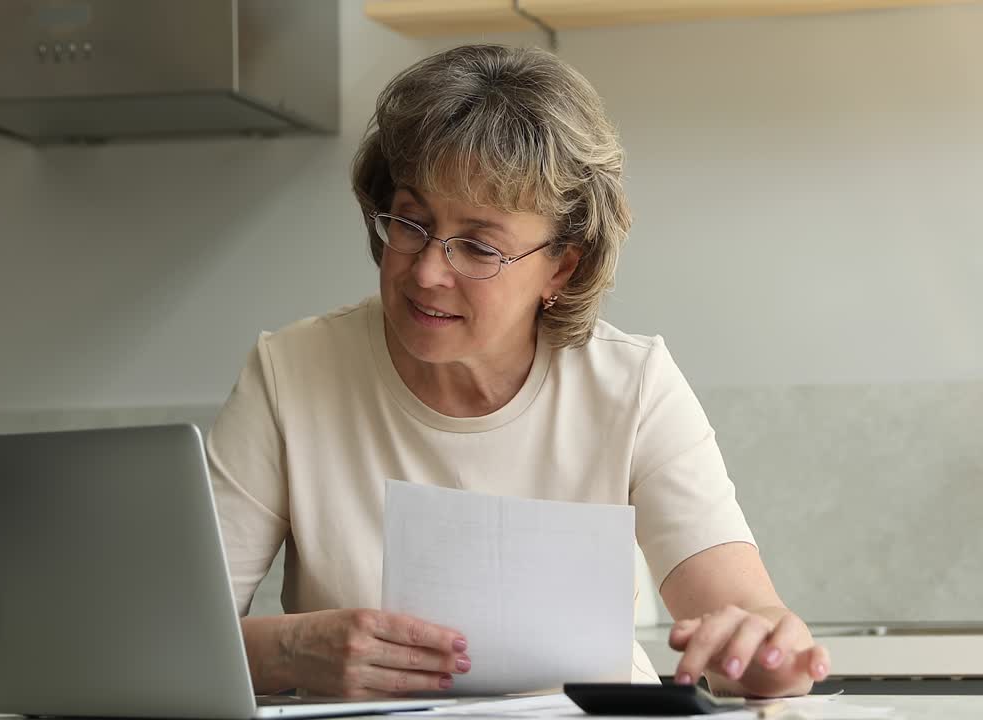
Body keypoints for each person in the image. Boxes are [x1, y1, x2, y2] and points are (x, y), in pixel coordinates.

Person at [207, 43, 830, 700]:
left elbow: (745, 619)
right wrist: (287, 652)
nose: (426, 272)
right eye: (411, 223)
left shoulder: (630, 384)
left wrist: (766, 652)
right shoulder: (291, 372)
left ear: (562, 265)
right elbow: (164, 636)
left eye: (477, 246)